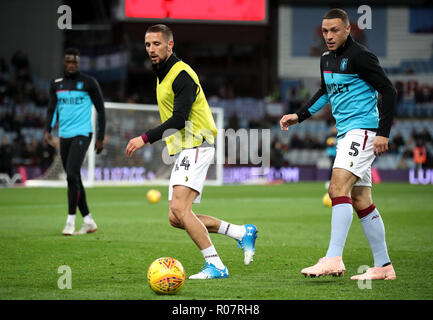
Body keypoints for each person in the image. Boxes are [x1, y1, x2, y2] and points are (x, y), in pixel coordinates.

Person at [125, 24, 258, 280]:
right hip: (187, 148)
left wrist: (144, 138)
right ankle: (241, 233)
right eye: (148, 45)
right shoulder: (161, 73)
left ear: (170, 45)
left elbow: (179, 120)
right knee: (176, 217)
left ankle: (216, 265)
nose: (151, 49)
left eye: (157, 44)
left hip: (197, 143)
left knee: (180, 208)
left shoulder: (181, 74)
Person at [280, 9, 397, 280]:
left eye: (335, 30)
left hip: (363, 131)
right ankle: (384, 266)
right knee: (360, 198)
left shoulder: (361, 56)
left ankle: (333, 258)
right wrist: (299, 115)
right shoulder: (325, 58)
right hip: (346, 134)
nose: (329, 36)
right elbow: (325, 91)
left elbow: (388, 90)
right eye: (325, 31)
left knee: (337, 188)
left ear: (347, 30)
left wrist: (383, 133)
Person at [45, 48, 106, 236]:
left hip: (82, 134)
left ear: (78, 64)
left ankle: (70, 221)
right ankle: (88, 220)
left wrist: (100, 136)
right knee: (75, 178)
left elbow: (101, 110)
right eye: (69, 62)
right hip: (64, 136)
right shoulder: (56, 85)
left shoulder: (89, 83)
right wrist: (48, 129)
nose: (72, 65)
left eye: (75, 62)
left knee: (71, 175)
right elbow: (51, 109)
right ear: (64, 63)